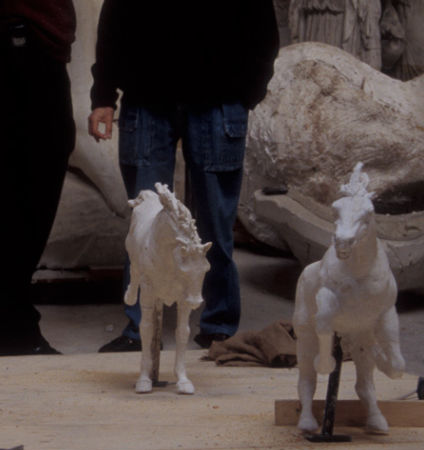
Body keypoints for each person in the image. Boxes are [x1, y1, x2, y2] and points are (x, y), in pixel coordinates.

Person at [88, 0, 280, 352]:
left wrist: (248, 91)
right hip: (147, 100)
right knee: (144, 225)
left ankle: (218, 327)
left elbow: (263, 29)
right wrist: (103, 95)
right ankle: (141, 329)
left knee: (214, 227)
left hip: (218, 100)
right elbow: (115, 19)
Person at [0, 0, 76, 356]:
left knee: (18, 184)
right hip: (18, 46)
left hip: (27, 48)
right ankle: (12, 324)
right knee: (21, 190)